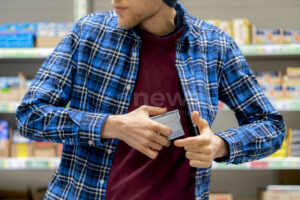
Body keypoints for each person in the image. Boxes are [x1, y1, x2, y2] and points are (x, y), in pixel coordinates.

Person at [16, 0, 286, 199]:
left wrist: (220, 145)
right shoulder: (89, 34)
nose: (114, 0)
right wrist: (113, 125)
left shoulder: (214, 46)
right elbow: (30, 116)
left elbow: (271, 126)